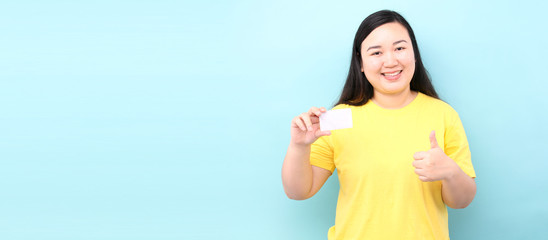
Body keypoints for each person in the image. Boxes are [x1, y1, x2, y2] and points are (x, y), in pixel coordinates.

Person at [281, 10, 476, 240]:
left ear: (414, 54)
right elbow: (298, 191)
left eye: (400, 48)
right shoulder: (338, 119)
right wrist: (299, 146)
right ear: (361, 63)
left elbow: (462, 201)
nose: (391, 61)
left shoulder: (443, 115)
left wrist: (450, 172)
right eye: (376, 52)